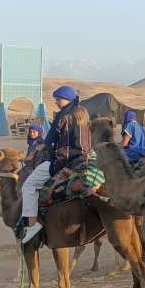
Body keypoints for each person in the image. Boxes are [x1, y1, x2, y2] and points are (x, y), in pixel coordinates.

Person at [20, 86, 90, 243]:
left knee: (28, 186)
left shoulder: (64, 116)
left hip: (64, 160)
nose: (57, 102)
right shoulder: (82, 113)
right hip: (84, 158)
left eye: (58, 99)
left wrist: (47, 153)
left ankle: (32, 224)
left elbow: (54, 141)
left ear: (67, 99)